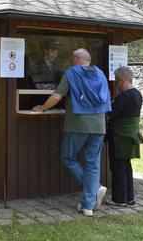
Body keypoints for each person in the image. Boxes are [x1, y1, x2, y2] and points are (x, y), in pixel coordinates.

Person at [32, 48, 111, 216]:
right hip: (99, 125)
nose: (70, 62)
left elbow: (56, 97)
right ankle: (88, 206)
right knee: (93, 164)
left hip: (78, 125)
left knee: (68, 157)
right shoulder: (101, 75)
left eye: (70, 59)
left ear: (76, 59)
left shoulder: (71, 73)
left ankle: (95, 190)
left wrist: (42, 108)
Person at [105, 66, 143, 207]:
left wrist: (107, 105)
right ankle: (129, 197)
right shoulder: (138, 94)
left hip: (120, 136)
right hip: (131, 136)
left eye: (116, 81)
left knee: (117, 167)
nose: (116, 84)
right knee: (127, 166)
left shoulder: (124, 96)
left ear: (122, 80)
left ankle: (119, 199)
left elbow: (112, 113)